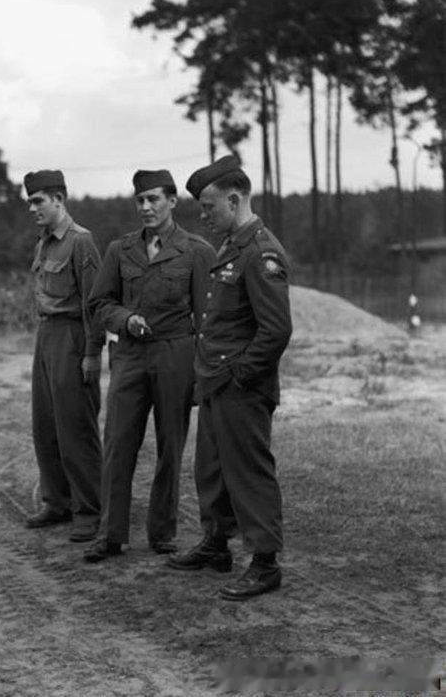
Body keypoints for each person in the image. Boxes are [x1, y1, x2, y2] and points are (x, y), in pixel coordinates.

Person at [168, 155, 292, 601]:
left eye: (208, 206)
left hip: (241, 387)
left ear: (235, 200)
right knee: (213, 469)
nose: (203, 216)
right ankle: (216, 544)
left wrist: (241, 373)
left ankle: (264, 563)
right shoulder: (231, 246)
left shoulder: (261, 252)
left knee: (248, 472)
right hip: (218, 382)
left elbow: (276, 329)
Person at [84, 169, 215, 563]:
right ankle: (110, 534)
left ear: (172, 202)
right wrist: (125, 320)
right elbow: (99, 303)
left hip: (175, 354)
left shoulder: (197, 251)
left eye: (154, 199)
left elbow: (207, 319)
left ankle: (162, 532)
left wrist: (201, 375)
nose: (145, 207)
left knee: (170, 446)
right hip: (129, 356)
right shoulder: (119, 250)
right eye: (139, 200)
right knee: (118, 443)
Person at [24, 169, 104, 543]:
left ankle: (88, 509)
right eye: (30, 202)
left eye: (39, 201)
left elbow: (95, 304)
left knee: (76, 427)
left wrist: (92, 354)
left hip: (73, 336)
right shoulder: (44, 244)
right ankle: (56, 501)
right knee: (46, 426)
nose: (33, 209)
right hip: (47, 336)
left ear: (59, 199)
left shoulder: (80, 242)